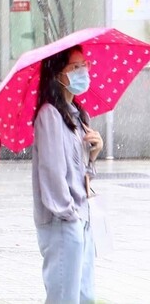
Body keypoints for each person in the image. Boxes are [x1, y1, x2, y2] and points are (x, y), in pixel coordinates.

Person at [32, 45, 103, 303]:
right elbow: (52, 172)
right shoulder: (49, 116)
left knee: (85, 297)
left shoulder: (78, 116)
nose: (83, 72)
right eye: (75, 67)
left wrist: (92, 155)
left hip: (82, 220)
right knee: (64, 298)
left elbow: (80, 174)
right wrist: (68, 215)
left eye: (85, 66)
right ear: (58, 74)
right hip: (63, 222)